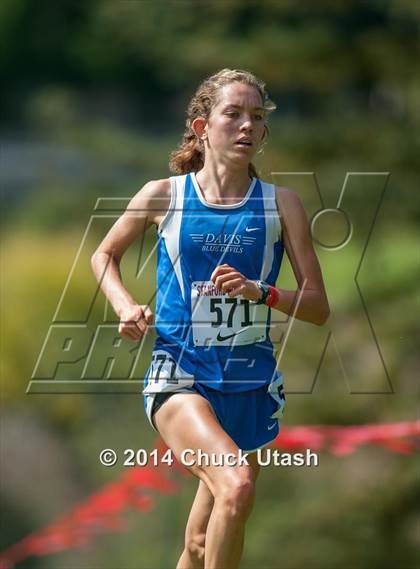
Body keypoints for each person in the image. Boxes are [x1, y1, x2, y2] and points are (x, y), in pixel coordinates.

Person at [91, 68, 330, 569]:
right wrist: (124, 307)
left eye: (257, 117)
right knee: (236, 483)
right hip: (180, 375)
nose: (247, 126)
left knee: (201, 544)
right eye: (234, 114)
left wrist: (260, 291)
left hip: (250, 383)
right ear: (202, 127)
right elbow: (104, 257)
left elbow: (317, 307)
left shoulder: (281, 205)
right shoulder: (164, 195)